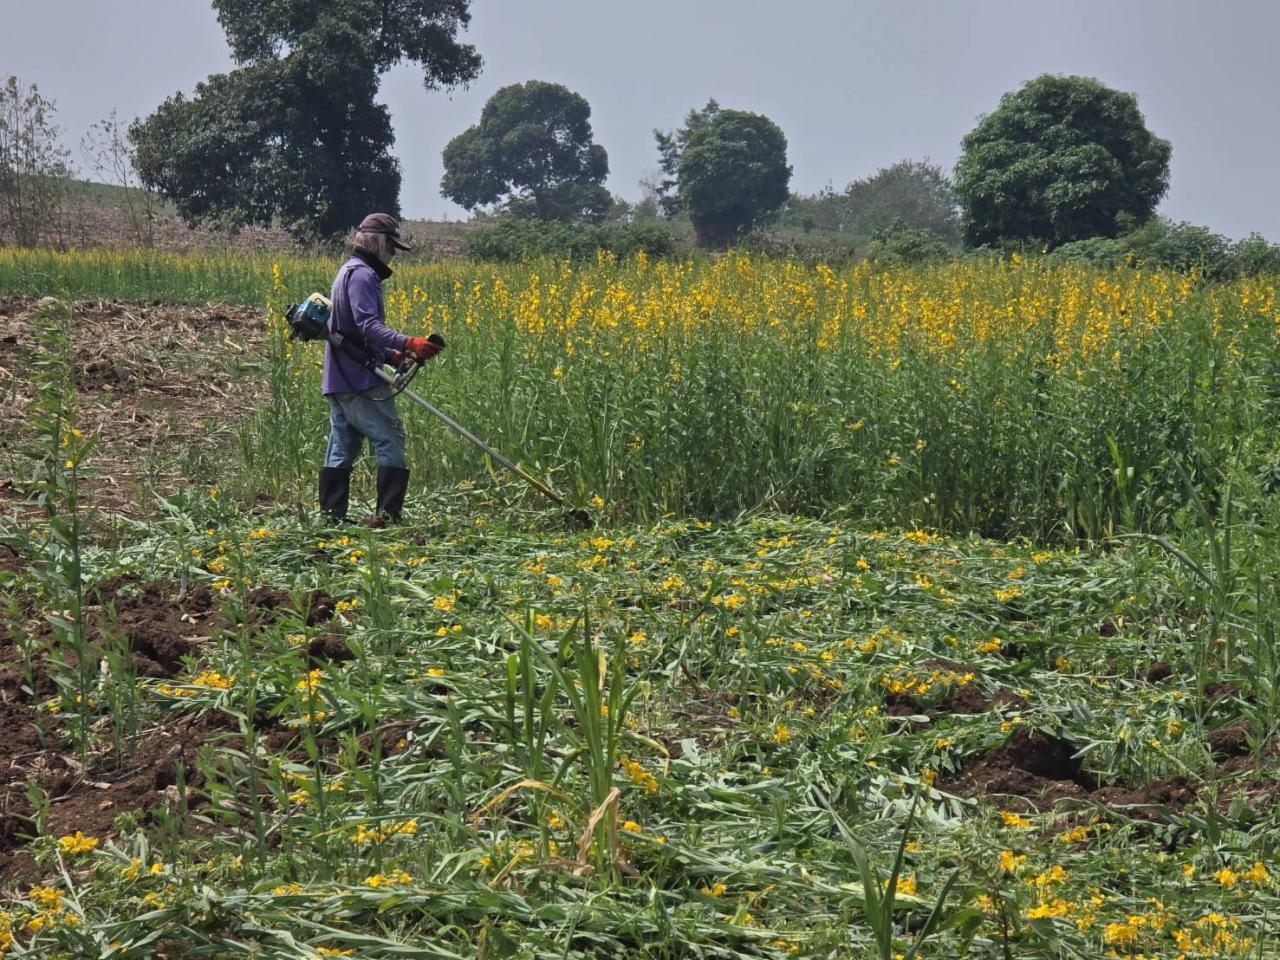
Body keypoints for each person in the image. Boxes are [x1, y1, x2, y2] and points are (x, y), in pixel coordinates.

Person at [318, 213, 442, 524]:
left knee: (342, 445)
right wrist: (409, 342)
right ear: (378, 242)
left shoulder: (346, 271)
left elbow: (354, 335)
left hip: (338, 378)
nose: (392, 254)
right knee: (391, 439)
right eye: (391, 246)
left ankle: (332, 517)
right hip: (359, 380)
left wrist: (394, 356)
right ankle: (388, 516)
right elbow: (368, 325)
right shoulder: (362, 276)